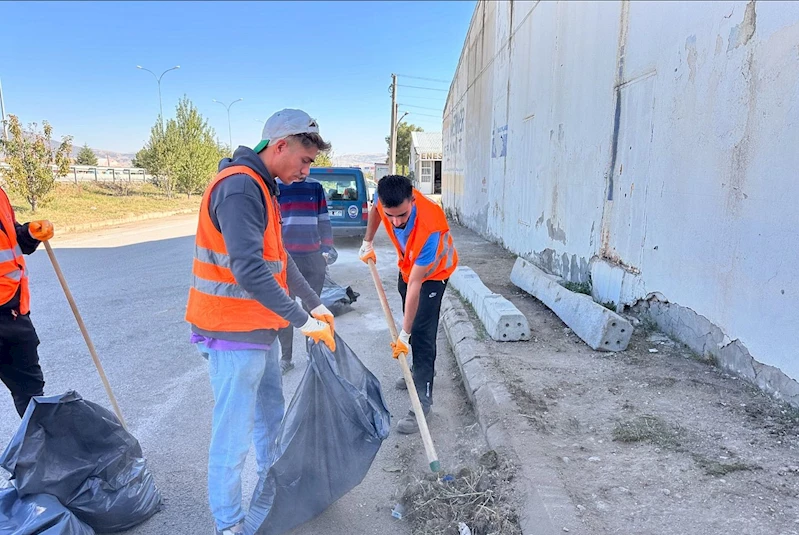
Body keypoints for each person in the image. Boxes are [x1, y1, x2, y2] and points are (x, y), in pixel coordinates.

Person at [185, 109, 336, 535]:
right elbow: (250, 270)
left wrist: (314, 303)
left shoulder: (263, 186)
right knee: (233, 435)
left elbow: (278, 259)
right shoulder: (239, 188)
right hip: (231, 333)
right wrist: (302, 320)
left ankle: (272, 492)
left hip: (258, 330)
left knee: (270, 415)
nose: (306, 171)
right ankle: (229, 523)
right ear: (281, 144)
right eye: (304, 161)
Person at [358, 175, 458, 434]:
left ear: (413, 200)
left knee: (421, 335)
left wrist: (404, 333)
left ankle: (422, 404)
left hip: (433, 275)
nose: (396, 222)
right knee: (411, 321)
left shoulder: (430, 225)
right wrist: (367, 241)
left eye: (402, 215)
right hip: (408, 269)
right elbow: (377, 213)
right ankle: (416, 371)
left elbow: (417, 284)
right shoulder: (387, 202)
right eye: (391, 216)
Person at [276, 173, 336, 374]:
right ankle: (286, 358)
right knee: (286, 309)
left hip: (313, 257)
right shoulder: (276, 186)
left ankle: (313, 355)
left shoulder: (315, 187)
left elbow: (324, 220)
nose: (305, 168)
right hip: (285, 257)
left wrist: (326, 250)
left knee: (313, 308)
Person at [0, 186, 52, 418]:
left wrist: (29, 233)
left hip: (13, 314)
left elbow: (9, 243)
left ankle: (43, 450)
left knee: (31, 396)